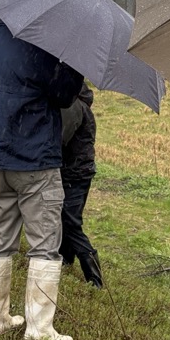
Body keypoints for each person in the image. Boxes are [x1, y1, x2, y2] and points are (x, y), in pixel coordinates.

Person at [0, 20, 83, 340]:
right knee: (44, 241)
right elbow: (67, 94)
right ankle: (39, 330)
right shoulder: (39, 50)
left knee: (0, 238)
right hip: (32, 157)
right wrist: (71, 59)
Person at [59, 83, 102, 288]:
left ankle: (94, 277)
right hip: (80, 171)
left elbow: (61, 139)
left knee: (69, 221)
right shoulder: (81, 104)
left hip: (73, 172)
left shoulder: (73, 106)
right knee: (68, 218)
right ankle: (65, 259)